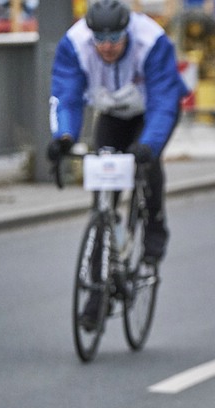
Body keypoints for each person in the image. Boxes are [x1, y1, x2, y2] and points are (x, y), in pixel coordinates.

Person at [47, 0, 189, 330]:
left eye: (115, 39)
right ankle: (97, 292)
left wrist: (148, 146)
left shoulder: (151, 41)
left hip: (150, 112)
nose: (107, 47)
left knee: (147, 164)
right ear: (90, 34)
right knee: (104, 199)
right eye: (101, 40)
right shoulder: (75, 43)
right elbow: (65, 94)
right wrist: (64, 137)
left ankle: (155, 228)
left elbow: (165, 102)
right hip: (111, 113)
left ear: (128, 32)